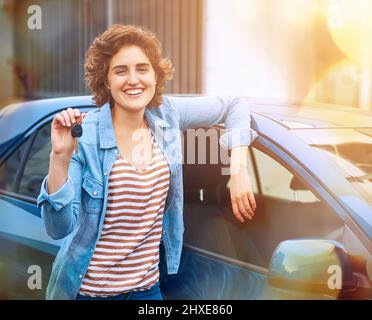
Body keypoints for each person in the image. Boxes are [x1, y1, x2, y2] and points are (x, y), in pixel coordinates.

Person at [37, 24, 257, 300]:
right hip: (90, 294)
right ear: (105, 80)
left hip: (146, 292)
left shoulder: (167, 114)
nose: (133, 79)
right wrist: (60, 157)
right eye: (120, 71)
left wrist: (237, 170)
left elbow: (235, 105)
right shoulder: (86, 135)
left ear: (155, 75)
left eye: (142, 68)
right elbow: (58, 229)